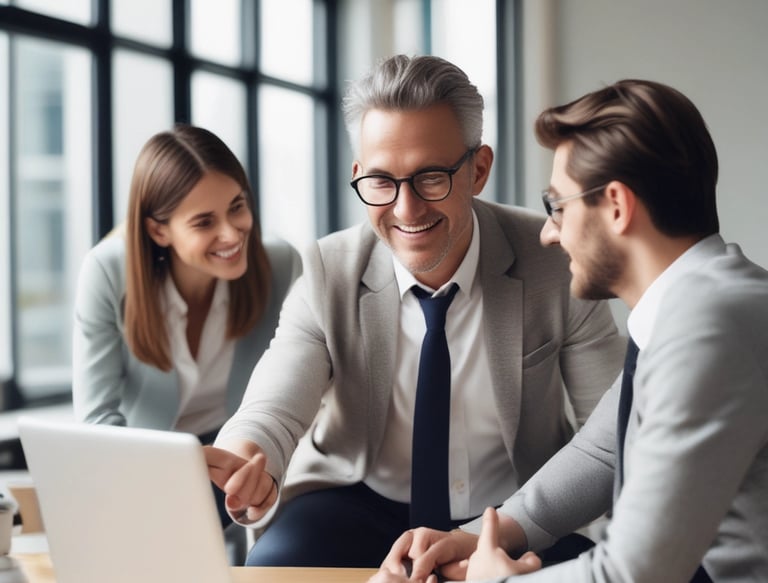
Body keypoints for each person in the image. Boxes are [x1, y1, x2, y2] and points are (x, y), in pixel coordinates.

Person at [205, 54, 625, 568]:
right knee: (272, 569)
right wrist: (251, 458)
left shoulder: (553, 261)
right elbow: (274, 407)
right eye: (382, 181)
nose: (406, 210)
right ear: (359, 175)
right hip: (357, 501)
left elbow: (611, 432)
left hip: (514, 508)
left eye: (430, 178)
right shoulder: (326, 268)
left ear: (478, 169)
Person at [374, 79, 768, 583]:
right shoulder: (700, 303)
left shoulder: (710, 330)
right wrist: (483, 535)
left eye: (557, 206)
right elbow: (603, 450)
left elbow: (631, 575)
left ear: (618, 207)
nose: (548, 232)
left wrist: (498, 582)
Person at [72, 124, 301, 528]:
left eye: (237, 206)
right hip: (140, 466)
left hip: (242, 457)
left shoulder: (280, 266)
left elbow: (296, 388)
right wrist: (176, 462)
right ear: (159, 230)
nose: (231, 233)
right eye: (204, 222)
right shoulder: (107, 271)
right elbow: (95, 423)